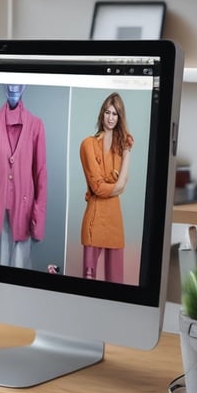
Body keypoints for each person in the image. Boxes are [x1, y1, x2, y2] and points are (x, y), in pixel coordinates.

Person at [0, 84, 47, 269]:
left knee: (20, 269)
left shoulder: (36, 126)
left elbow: (41, 174)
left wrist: (38, 217)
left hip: (24, 212)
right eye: (10, 83)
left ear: (25, 87)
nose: (14, 87)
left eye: (18, 83)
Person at [79, 92, 134, 282]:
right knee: (88, 283)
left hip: (114, 222)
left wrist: (127, 152)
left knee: (116, 283)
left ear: (120, 118)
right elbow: (98, 188)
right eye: (107, 112)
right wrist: (116, 185)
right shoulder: (88, 144)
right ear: (102, 114)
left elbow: (123, 185)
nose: (110, 118)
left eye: (115, 114)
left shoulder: (122, 148)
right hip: (94, 219)